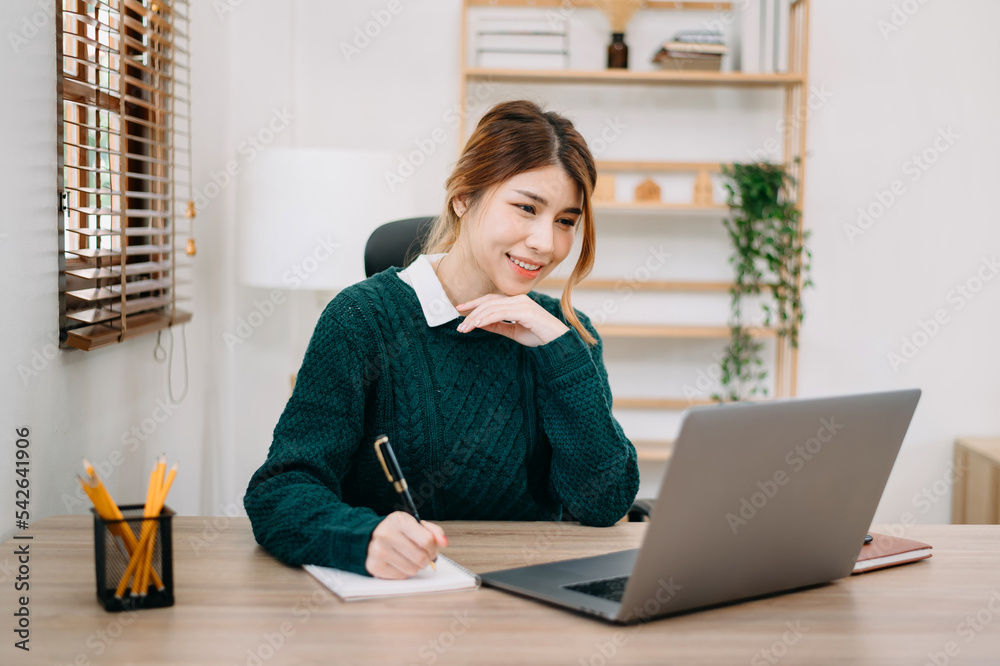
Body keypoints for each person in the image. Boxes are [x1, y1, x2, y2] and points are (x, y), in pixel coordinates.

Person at [244, 99, 640, 580]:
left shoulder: (563, 333)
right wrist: (360, 538)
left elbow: (605, 504)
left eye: (565, 221)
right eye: (526, 208)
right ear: (464, 198)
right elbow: (281, 489)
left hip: (530, 596)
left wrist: (561, 354)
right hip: (400, 600)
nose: (546, 242)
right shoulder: (361, 320)